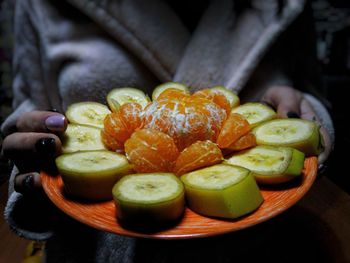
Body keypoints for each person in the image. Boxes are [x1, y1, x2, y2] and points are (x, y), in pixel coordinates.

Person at [1, 0, 334, 262]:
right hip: (95, 250)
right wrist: (38, 159)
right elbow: (32, 103)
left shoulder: (282, 2)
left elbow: (308, 91)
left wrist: (301, 117)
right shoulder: (40, 3)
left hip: (257, 246)